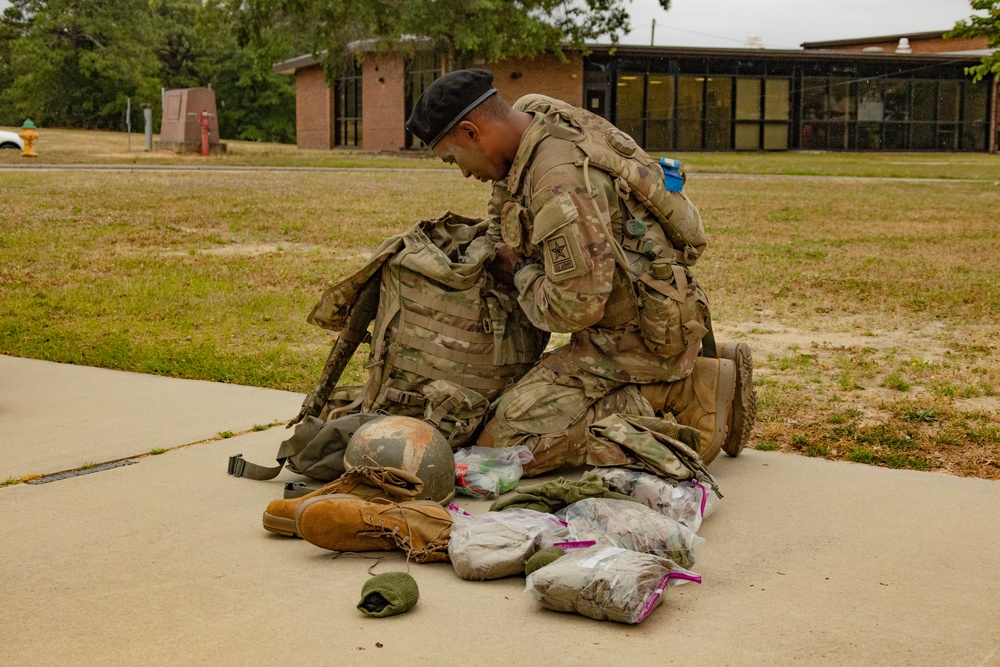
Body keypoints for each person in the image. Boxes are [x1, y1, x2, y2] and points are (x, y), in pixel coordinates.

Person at [406, 69, 756, 476]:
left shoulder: (560, 183)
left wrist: (517, 271)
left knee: (502, 447)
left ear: (470, 131)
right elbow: (503, 201)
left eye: (454, 159)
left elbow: (574, 309)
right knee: (507, 414)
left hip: (632, 341)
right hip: (646, 316)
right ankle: (688, 373)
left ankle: (684, 394)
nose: (463, 172)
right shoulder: (535, 116)